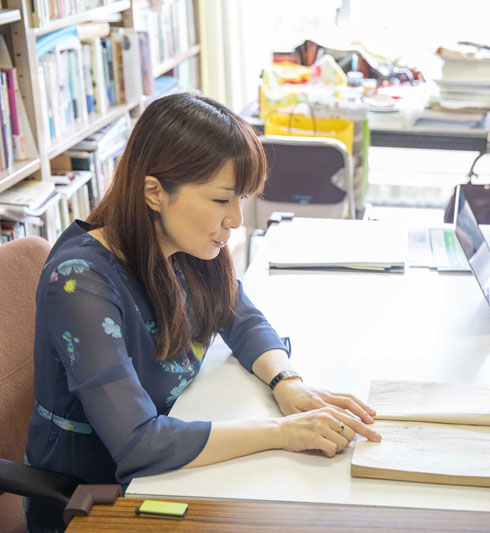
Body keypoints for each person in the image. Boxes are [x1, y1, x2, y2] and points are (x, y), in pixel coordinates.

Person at [25, 93, 381, 531]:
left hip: (175, 464)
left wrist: (288, 384)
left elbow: (242, 318)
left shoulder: (184, 243)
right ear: (154, 192)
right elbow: (139, 443)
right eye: (220, 200)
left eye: (242, 199)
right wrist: (282, 432)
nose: (236, 218)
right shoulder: (79, 281)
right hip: (97, 494)